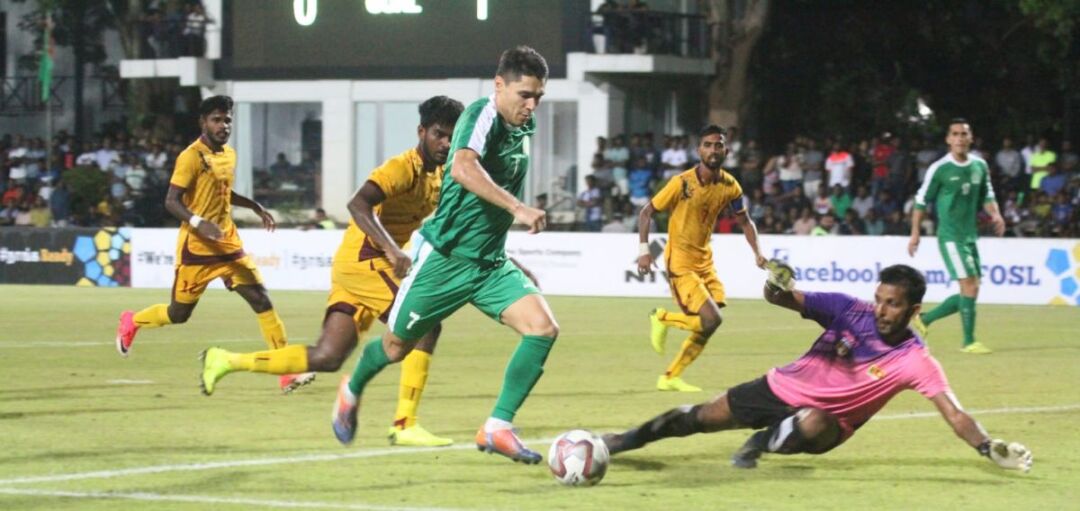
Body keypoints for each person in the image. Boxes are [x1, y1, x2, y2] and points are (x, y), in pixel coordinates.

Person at [329, 46, 555, 465]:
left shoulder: (525, 126)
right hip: (445, 260)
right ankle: (351, 388)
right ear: (499, 85)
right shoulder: (481, 115)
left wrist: (509, 253)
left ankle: (497, 427)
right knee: (396, 348)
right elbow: (463, 168)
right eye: (525, 95)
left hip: (489, 264)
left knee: (542, 329)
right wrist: (519, 209)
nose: (532, 105)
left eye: (538, 96)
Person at [200, 96, 466, 447]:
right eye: (439, 134)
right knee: (425, 323)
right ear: (422, 132)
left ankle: (226, 360)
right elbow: (358, 204)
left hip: (357, 265)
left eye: (452, 137)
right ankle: (404, 424)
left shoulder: (442, 176)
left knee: (327, 356)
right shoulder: (401, 168)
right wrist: (391, 249)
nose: (445, 143)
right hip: (366, 260)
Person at [602, 264, 1034, 474]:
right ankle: (619, 442)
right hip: (778, 388)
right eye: (880, 299)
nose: (881, 310)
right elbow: (781, 299)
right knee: (695, 417)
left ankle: (759, 443)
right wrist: (775, 284)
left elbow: (954, 413)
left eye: (893, 304)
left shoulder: (915, 359)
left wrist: (986, 446)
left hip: (826, 426)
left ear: (914, 310)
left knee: (814, 418)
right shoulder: (848, 308)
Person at [114, 95, 313, 393]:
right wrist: (198, 222)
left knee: (261, 300)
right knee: (178, 314)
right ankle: (133, 321)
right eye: (217, 120)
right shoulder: (191, 157)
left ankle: (284, 371)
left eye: (227, 120)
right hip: (197, 249)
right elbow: (171, 201)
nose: (223, 126)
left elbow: (222, 191)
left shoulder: (228, 154)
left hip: (228, 244)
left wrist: (255, 206)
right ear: (203, 123)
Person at [637, 125, 767, 393]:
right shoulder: (682, 183)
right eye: (707, 145)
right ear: (699, 150)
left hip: (704, 261)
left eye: (718, 145)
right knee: (712, 319)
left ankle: (670, 377)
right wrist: (644, 250)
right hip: (680, 262)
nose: (713, 150)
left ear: (726, 151)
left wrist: (758, 252)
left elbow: (745, 221)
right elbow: (646, 212)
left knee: (709, 323)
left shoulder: (730, 186)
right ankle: (662, 318)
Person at [908, 119, 1005, 354]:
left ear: (971, 138)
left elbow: (987, 195)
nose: (960, 138)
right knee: (969, 286)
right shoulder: (940, 168)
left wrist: (996, 214)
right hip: (950, 237)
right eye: (955, 134)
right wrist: (915, 233)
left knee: (972, 288)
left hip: (970, 236)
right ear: (948, 139)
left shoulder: (979, 165)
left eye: (964, 134)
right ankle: (969, 342)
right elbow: (921, 201)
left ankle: (925, 319)